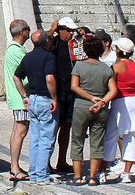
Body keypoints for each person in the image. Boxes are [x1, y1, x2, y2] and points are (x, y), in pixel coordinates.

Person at [69, 35, 119, 186]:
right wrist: (102, 101)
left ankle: (78, 176)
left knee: (77, 140)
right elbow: (113, 90)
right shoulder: (106, 68)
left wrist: (91, 98)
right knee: (97, 142)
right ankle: (92, 176)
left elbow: (74, 86)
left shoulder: (79, 66)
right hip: (100, 109)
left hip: (82, 105)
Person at [13, 29, 59, 184]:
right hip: (46, 99)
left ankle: (34, 172)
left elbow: (16, 76)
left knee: (35, 138)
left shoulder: (28, 57)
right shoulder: (48, 56)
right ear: (47, 41)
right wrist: (54, 98)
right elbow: (50, 78)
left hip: (33, 99)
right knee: (46, 139)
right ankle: (42, 175)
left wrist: (24, 96)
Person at [104, 37, 135, 183]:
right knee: (131, 137)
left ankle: (102, 169)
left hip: (119, 101)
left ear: (119, 50)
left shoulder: (116, 67)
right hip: (133, 100)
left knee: (111, 136)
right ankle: (126, 172)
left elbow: (110, 87)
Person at [49, 17, 80, 173]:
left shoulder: (73, 45)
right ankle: (46, 161)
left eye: (72, 31)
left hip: (70, 91)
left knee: (66, 127)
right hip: (56, 92)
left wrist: (80, 35)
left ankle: (61, 160)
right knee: (52, 128)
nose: (70, 33)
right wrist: (52, 30)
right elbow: (41, 43)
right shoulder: (52, 43)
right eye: (67, 30)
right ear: (60, 30)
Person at [5, 19, 32, 182]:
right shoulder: (16, 51)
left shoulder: (15, 49)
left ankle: (14, 166)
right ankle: (14, 168)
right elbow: (24, 74)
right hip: (21, 98)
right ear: (22, 32)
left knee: (17, 131)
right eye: (28, 29)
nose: (29, 31)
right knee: (20, 132)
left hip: (18, 98)